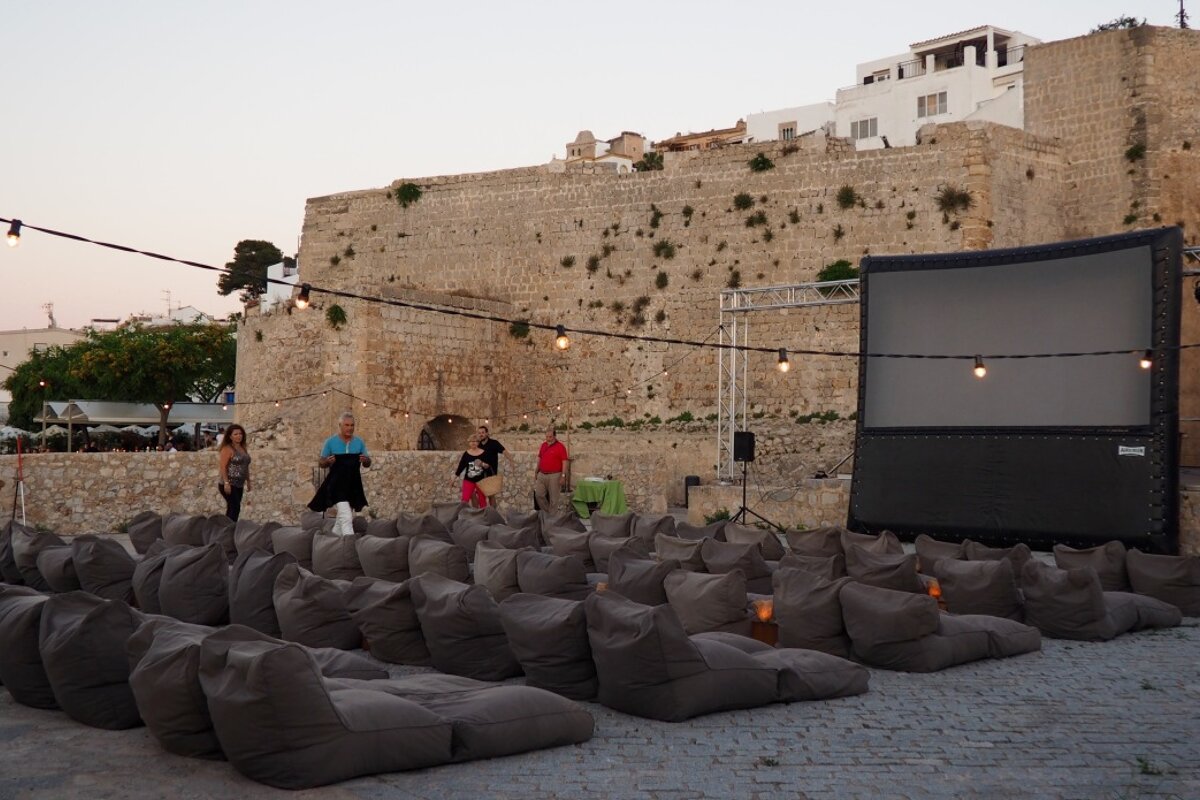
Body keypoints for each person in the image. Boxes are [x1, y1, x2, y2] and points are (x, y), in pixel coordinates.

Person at [309, 411, 372, 535]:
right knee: (347, 517)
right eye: (347, 425)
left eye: (352, 425)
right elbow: (321, 462)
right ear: (340, 425)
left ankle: (332, 540)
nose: (350, 428)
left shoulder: (359, 442)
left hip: (353, 485)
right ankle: (350, 547)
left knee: (342, 518)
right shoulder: (330, 442)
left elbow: (368, 462)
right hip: (336, 485)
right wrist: (327, 461)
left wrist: (366, 460)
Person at [217, 424, 252, 521]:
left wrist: (248, 481)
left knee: (233, 508)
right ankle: (230, 529)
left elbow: (245, 466)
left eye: (240, 433)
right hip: (229, 483)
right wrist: (226, 483)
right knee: (235, 507)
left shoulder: (243, 448)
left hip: (239, 484)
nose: (239, 436)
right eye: (235, 434)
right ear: (230, 436)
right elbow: (223, 467)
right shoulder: (227, 449)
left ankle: (226, 528)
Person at [533, 426, 569, 512]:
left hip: (555, 475)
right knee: (538, 495)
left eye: (550, 437)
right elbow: (540, 458)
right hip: (542, 474)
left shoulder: (560, 447)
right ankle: (548, 513)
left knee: (554, 499)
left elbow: (565, 462)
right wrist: (536, 470)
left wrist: (563, 476)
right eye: (547, 437)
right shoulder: (543, 445)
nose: (548, 439)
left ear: (555, 436)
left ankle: (551, 518)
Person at [455, 434, 494, 508]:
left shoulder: (484, 453)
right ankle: (464, 517)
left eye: (475, 441)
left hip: (481, 481)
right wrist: (453, 479)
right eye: (471, 441)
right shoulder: (466, 454)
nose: (473, 443)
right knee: (464, 500)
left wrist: (482, 464)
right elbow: (461, 467)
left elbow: (488, 465)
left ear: (478, 442)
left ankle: (483, 517)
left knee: (482, 501)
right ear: (469, 442)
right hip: (468, 480)